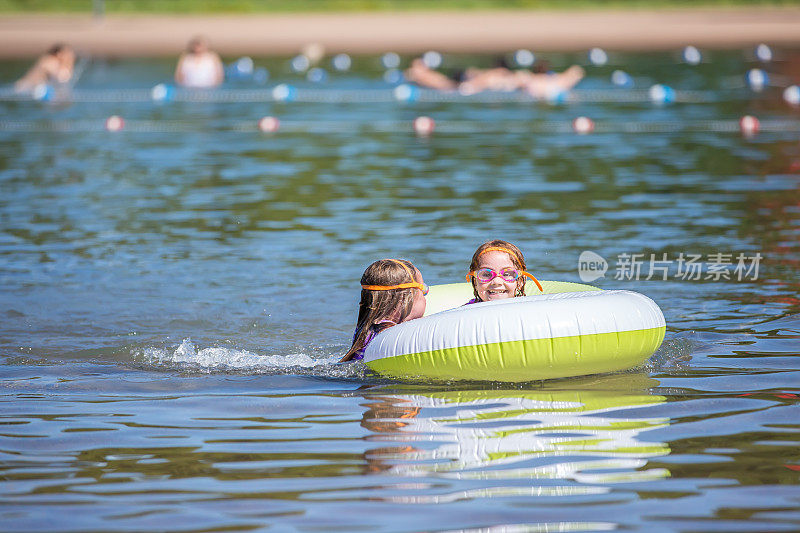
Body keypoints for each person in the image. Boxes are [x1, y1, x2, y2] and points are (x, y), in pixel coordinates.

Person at [340, 259, 428, 362]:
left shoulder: (368, 327)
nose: (426, 296)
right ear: (404, 299)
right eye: (424, 290)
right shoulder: (392, 334)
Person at [465, 240, 543, 304]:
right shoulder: (465, 312)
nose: (496, 281)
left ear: (520, 281)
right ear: (475, 282)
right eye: (486, 274)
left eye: (506, 274)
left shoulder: (528, 308)